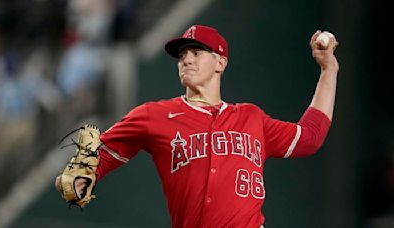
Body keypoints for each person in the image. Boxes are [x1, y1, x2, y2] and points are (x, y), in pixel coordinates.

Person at [55, 24, 339, 227]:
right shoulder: (153, 116)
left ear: (220, 63)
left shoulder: (251, 118)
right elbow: (93, 163)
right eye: (182, 55)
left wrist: (329, 70)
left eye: (197, 51)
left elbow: (310, 137)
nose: (186, 59)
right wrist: (77, 176)